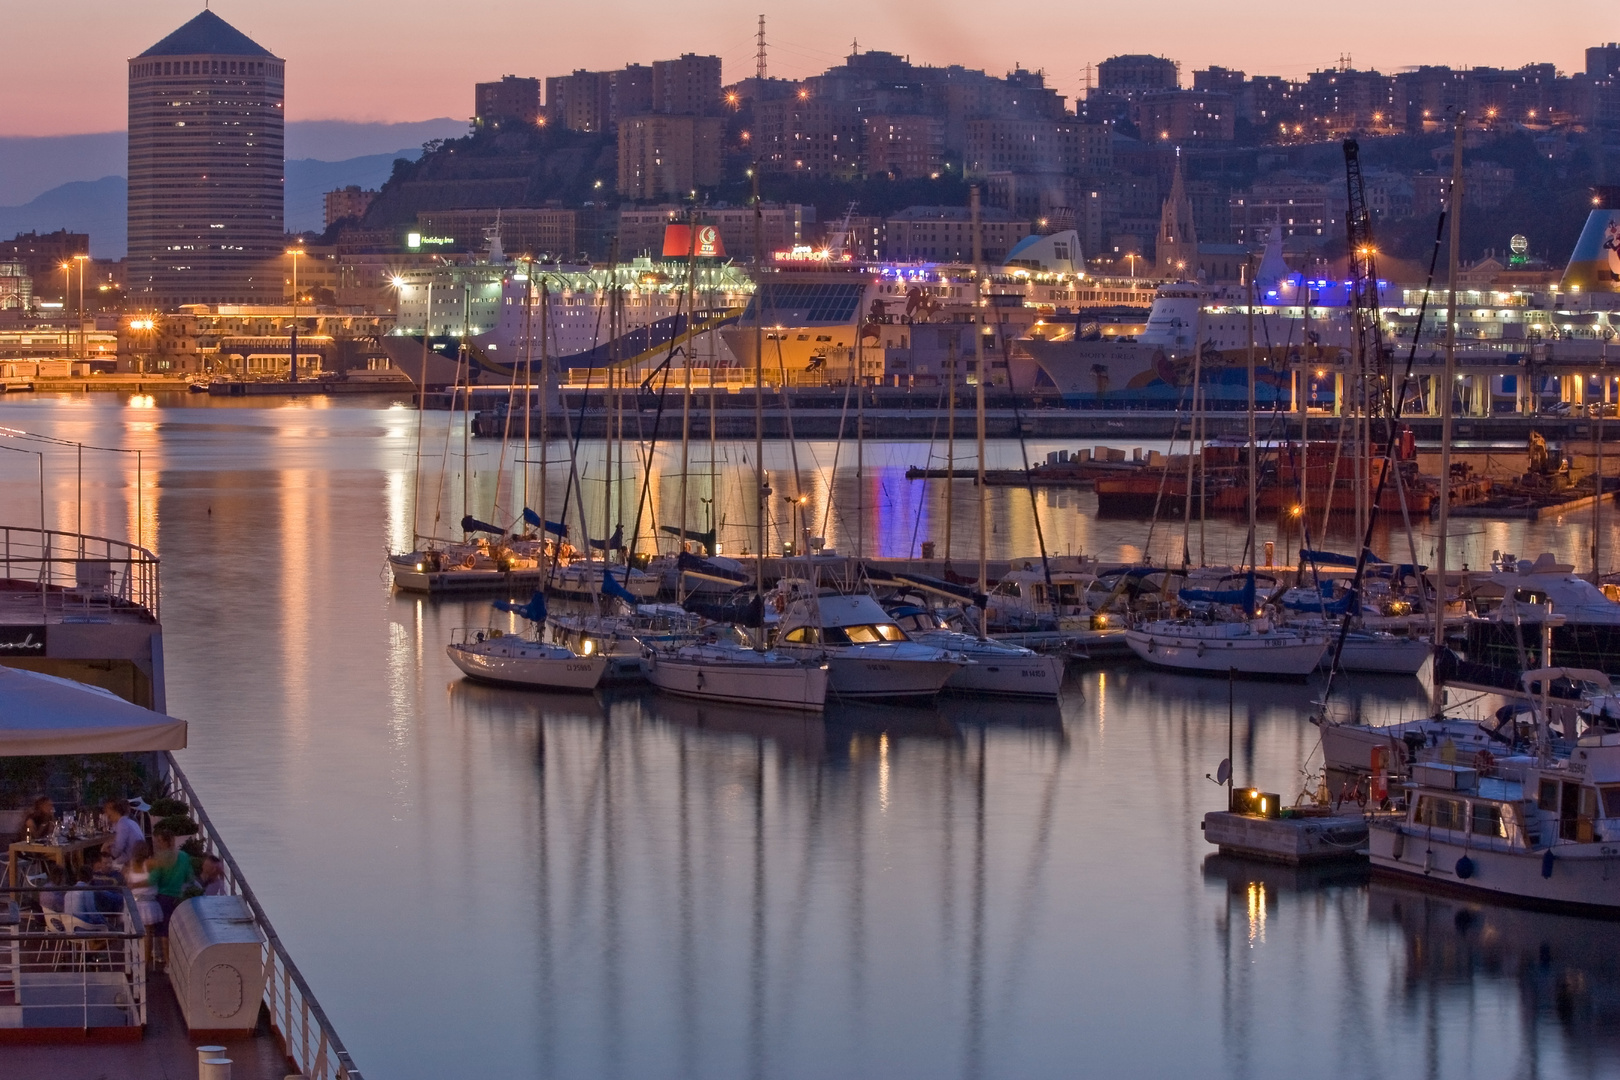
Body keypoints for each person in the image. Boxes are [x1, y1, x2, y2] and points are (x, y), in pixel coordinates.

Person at [147, 827, 193, 935]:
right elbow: (189, 877)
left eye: (159, 841)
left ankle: (164, 952)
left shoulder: (161, 858)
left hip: (163, 898)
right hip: (179, 898)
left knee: (163, 931)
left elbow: (152, 879)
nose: (157, 844)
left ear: (164, 842)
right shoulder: (184, 856)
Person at [104, 798, 145, 868]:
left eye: (107, 810)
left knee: (105, 865)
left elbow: (117, 851)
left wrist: (108, 850)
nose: (106, 813)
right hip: (139, 857)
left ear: (114, 810)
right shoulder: (129, 821)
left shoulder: (122, 824)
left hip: (131, 860)